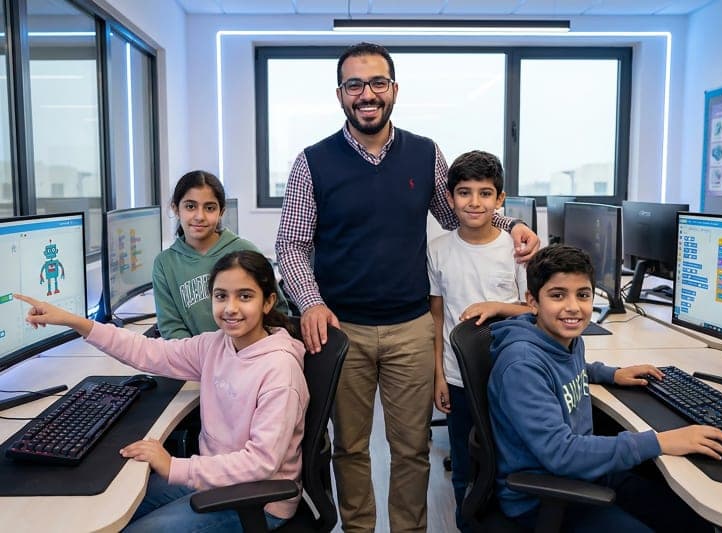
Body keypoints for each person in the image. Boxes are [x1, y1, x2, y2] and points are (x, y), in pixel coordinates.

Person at [275, 42, 540, 531]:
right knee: (351, 449)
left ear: (393, 89)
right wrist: (309, 303)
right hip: (342, 331)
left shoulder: (424, 153)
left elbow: (458, 211)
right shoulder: (312, 161)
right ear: (340, 95)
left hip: (412, 327)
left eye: (377, 82)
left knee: (412, 449)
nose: (367, 94)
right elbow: (290, 244)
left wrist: (512, 225)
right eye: (355, 84)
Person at [15, 250, 308, 531]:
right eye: (221, 296)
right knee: (115, 508)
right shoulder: (216, 345)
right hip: (213, 476)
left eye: (245, 296)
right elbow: (150, 352)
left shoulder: (279, 370)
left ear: (268, 302)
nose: (230, 308)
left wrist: (173, 467)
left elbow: (261, 463)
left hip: (259, 500)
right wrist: (76, 322)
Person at [488, 244, 722, 531]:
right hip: (544, 497)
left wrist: (609, 373)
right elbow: (561, 454)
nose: (573, 307)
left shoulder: (564, 340)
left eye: (583, 295)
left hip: (584, 473)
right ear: (532, 302)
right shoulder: (522, 366)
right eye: (557, 295)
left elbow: (569, 370)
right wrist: (659, 441)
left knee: (694, 523)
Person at [427, 150, 529, 531]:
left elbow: (533, 313)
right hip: (457, 378)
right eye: (464, 193)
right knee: (464, 468)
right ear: (450, 199)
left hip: (510, 377)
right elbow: (437, 318)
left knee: (505, 462)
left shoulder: (515, 249)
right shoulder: (437, 250)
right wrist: (439, 376)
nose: (474, 202)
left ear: (500, 200)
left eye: (485, 193)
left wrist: (497, 306)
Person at [154, 169, 289, 340]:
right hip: (198, 362)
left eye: (209, 208)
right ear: (175, 208)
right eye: (190, 206)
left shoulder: (244, 250)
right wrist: (207, 360)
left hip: (250, 357)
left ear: (221, 212)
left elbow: (278, 312)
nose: (199, 216)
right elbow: (171, 328)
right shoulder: (165, 264)